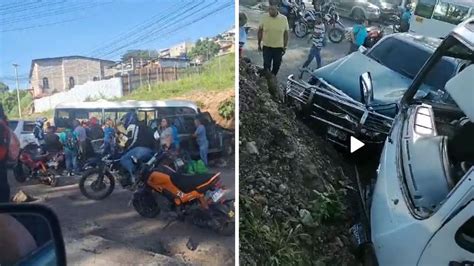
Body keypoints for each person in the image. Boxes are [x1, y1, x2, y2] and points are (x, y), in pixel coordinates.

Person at [119, 111, 155, 185]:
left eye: (125, 119)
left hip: (141, 149)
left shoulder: (132, 126)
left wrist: (125, 147)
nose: (124, 122)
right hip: (151, 150)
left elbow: (132, 140)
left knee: (124, 159)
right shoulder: (144, 125)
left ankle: (134, 176)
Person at [258, 1, 289, 76]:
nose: (271, 11)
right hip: (267, 47)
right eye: (270, 9)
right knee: (266, 66)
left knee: (276, 66)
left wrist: (285, 46)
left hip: (278, 48)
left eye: (273, 10)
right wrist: (259, 44)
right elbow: (260, 31)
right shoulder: (264, 17)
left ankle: (273, 80)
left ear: (277, 8)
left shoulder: (284, 19)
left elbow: (286, 34)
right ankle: (266, 82)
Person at [0, 104, 18, 203]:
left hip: (1, 156)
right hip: (3, 156)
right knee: (3, 181)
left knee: (2, 183)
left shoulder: (1, 124)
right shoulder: (4, 123)